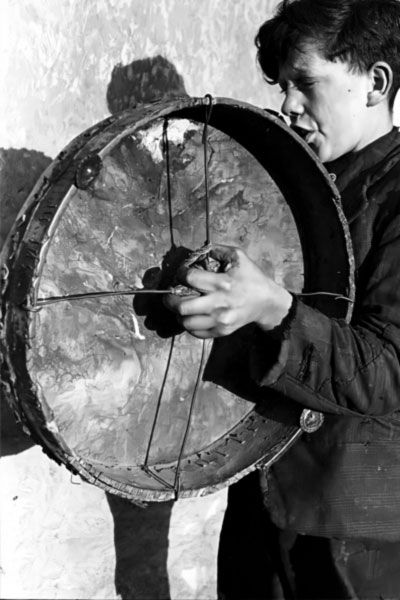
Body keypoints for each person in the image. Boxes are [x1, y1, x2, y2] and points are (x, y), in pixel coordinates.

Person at [165, 0, 400, 597]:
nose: (290, 105)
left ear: (376, 82)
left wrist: (274, 308)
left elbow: (389, 372)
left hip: (356, 535)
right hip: (259, 499)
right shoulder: (283, 183)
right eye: (283, 86)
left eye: (307, 83)